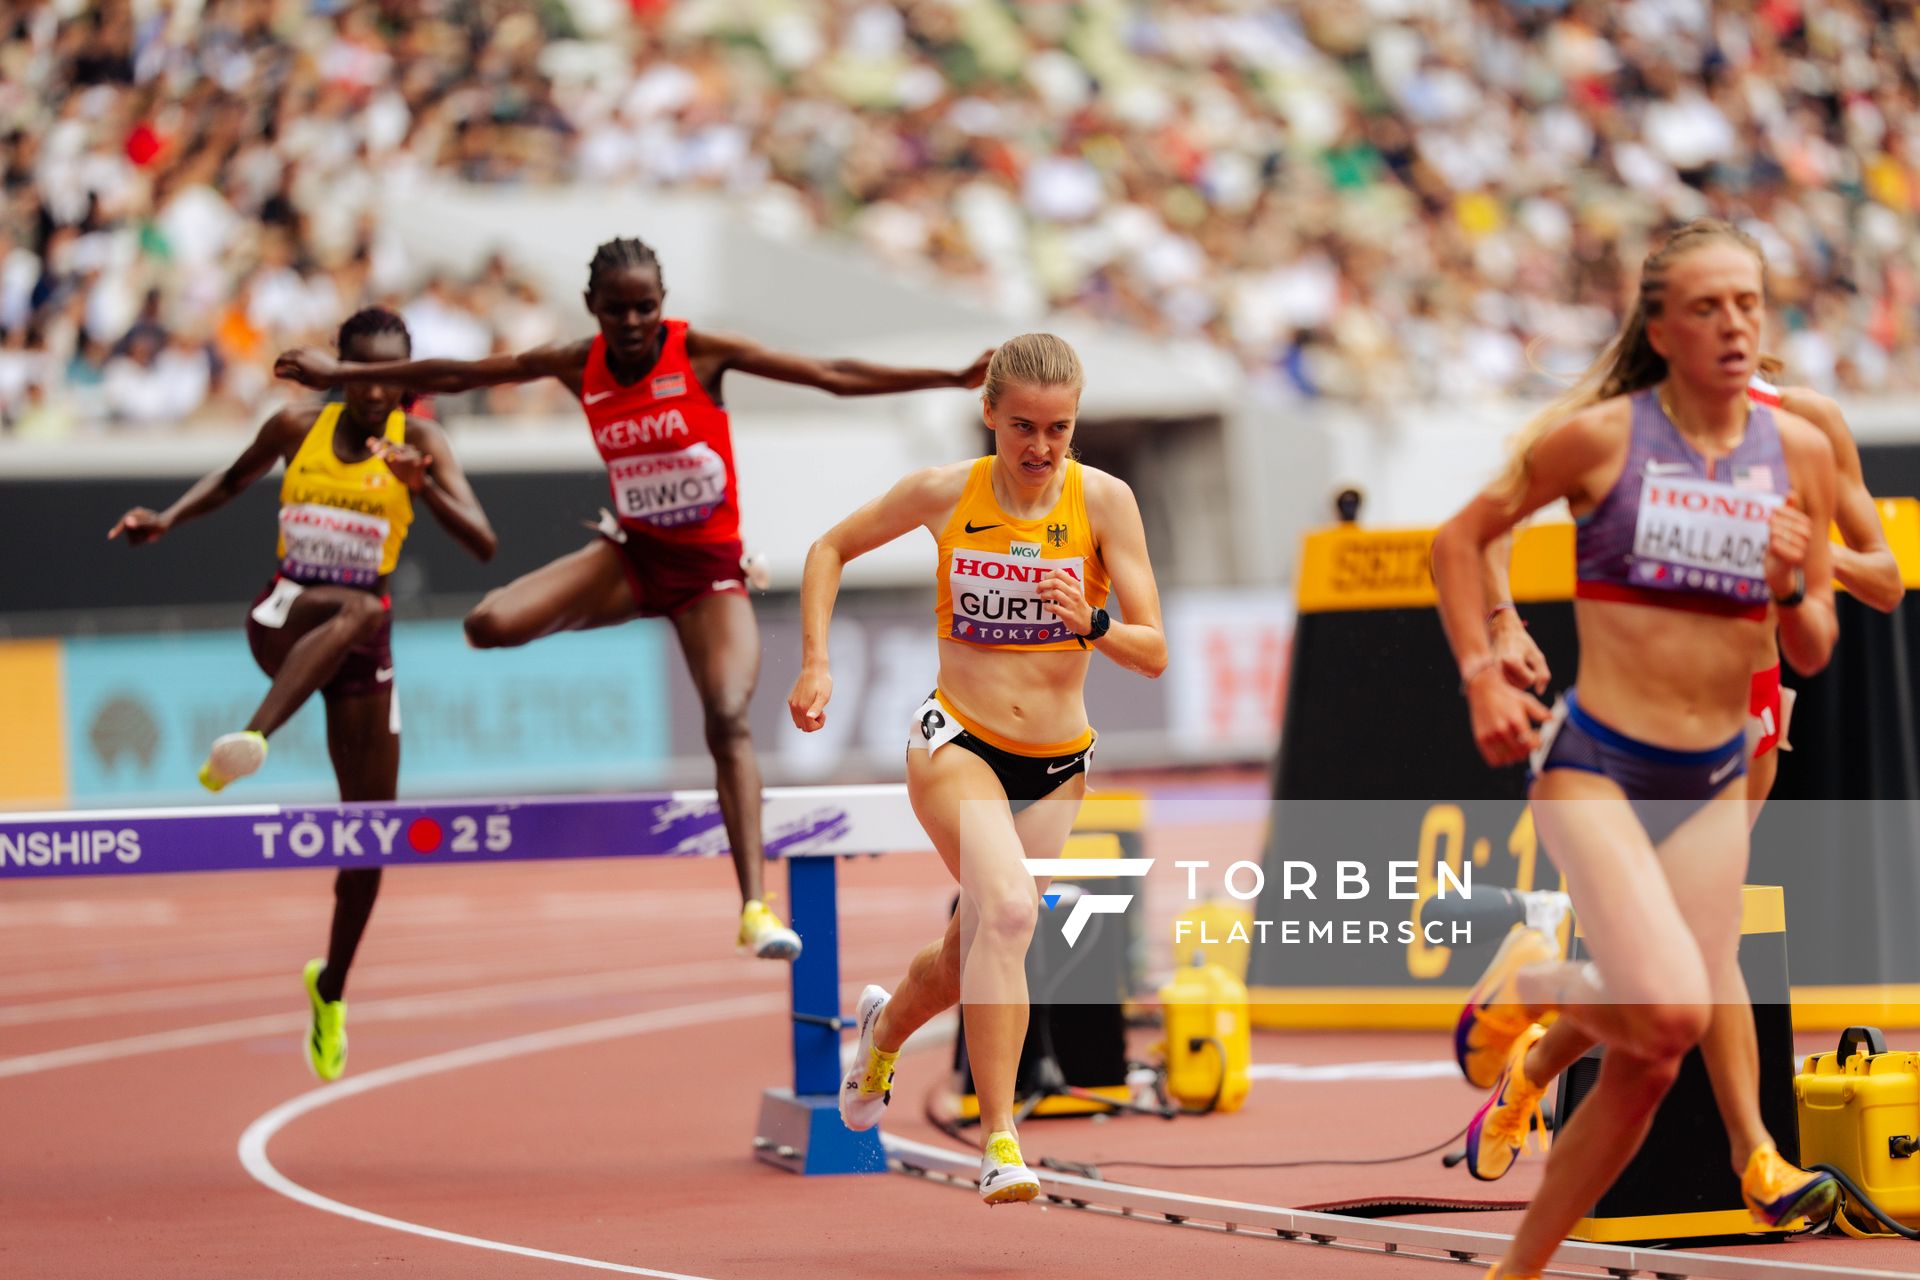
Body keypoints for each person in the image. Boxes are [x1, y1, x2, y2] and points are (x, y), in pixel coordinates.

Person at [276, 237, 990, 963]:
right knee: (488, 624)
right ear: (592, 308)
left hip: (709, 575)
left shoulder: (699, 353)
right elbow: (462, 371)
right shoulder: (574, 362)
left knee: (726, 717)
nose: (631, 322)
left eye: (645, 306)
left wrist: (950, 376)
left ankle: (752, 906)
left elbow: (830, 373)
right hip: (632, 558)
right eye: (615, 309)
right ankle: (617, 601)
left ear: (663, 305)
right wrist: (347, 374)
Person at [1429, 220, 1840, 1280]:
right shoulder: (1601, 438)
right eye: (1707, 306)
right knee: (1668, 1006)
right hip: (1599, 760)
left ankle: (1512, 1267)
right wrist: (1484, 665)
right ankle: (1538, 983)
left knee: (1656, 1052)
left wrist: (1796, 577)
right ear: (1659, 327)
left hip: (1713, 774)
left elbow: (1813, 643)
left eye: (1748, 302)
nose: (1735, 324)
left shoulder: (1798, 451)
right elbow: (1460, 539)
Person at [1468, 364, 1903, 1211]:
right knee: (1699, 939)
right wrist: (1503, 623)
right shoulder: (1618, 423)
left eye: (1740, 307)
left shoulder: (1809, 423)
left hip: (1756, 704)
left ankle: (1533, 1062)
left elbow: (1884, 581)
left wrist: (1806, 550)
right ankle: (1758, 1159)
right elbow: (1488, 528)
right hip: (1650, 708)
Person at [788, 333, 1166, 1205]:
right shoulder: (944, 493)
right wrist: (816, 662)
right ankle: (1000, 1139)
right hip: (956, 741)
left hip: (1058, 762)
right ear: (989, 414)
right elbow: (828, 549)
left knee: (973, 952)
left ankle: (883, 1028)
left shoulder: (1105, 503)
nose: (1040, 448)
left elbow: (1153, 652)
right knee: (1008, 910)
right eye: (1023, 426)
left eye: (1060, 430)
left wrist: (1094, 622)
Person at [110, 307, 498, 1081]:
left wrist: (422, 489)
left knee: (373, 841)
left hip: (362, 654)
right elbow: (231, 478)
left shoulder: (421, 444)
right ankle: (250, 739)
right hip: (285, 615)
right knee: (356, 606)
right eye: (362, 374)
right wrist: (168, 518)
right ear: (338, 371)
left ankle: (331, 989)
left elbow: (483, 543)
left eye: (394, 377)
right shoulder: (297, 427)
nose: (377, 391)